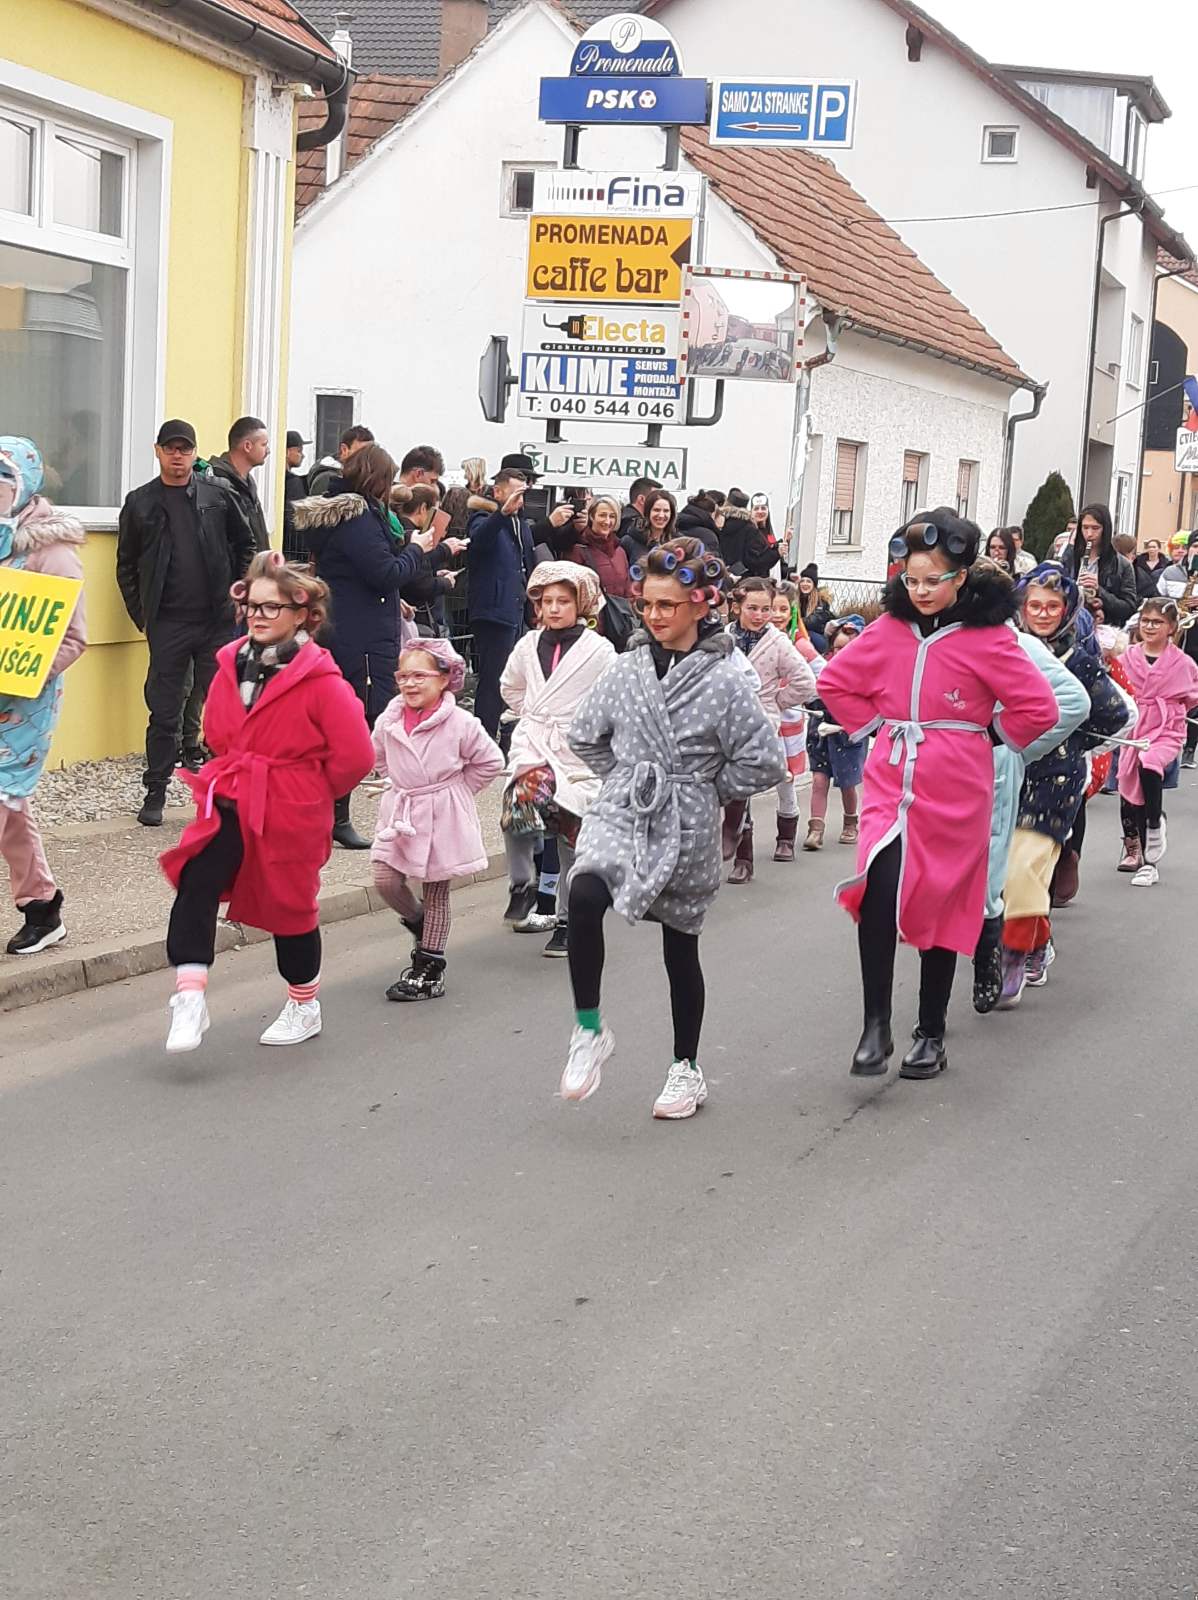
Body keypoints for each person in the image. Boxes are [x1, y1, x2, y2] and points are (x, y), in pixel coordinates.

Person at [816, 510, 1058, 1080]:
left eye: (934, 580)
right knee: (877, 886)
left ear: (962, 578)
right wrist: (873, 725)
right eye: (912, 579)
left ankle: (930, 1032)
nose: (921, 591)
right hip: (889, 777)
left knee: (939, 903)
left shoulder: (990, 637)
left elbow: (1038, 708)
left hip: (956, 786)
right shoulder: (887, 630)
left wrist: (993, 734)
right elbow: (834, 682)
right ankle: (875, 1024)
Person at [558, 537, 786, 1119]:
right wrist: (626, 779)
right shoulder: (624, 668)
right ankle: (589, 1029)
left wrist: (705, 787)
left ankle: (686, 1067)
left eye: (668, 605)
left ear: (701, 604)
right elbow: (585, 734)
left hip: (687, 819)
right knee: (583, 892)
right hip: (623, 805)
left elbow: (763, 761)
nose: (655, 616)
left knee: (679, 948)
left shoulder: (727, 680)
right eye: (648, 605)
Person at [158, 552, 375, 1053]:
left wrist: (307, 788)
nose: (257, 615)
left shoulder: (324, 682)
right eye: (252, 606)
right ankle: (189, 996)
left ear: (302, 614)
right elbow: (216, 730)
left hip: (292, 804)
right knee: (197, 876)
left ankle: (304, 1003)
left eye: (271, 607)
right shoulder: (229, 664)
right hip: (234, 791)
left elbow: (355, 756)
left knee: (289, 908)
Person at [994, 564, 1129, 1006]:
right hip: (1005, 769)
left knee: (1024, 862)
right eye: (1034, 605)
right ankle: (1039, 939)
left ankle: (1013, 955)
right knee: (1006, 872)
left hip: (1057, 776)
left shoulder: (1082, 662)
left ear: (1068, 609)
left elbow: (1115, 716)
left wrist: (1073, 742)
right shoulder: (1004, 651)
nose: (1043, 613)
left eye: (1053, 606)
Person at [294, 444, 437, 849]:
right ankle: (332, 815)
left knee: (345, 725)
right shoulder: (357, 518)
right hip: (360, 637)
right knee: (354, 726)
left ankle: (330, 813)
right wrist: (417, 549)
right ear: (375, 479)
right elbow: (384, 572)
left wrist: (429, 552)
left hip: (353, 628)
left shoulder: (354, 514)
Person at [117, 419, 256, 828]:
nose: (178, 456)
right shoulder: (140, 502)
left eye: (185, 449)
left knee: (222, 709)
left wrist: (239, 595)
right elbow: (126, 564)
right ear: (157, 451)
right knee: (164, 711)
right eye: (170, 449)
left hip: (215, 620)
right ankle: (155, 789)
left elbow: (246, 544)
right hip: (168, 623)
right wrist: (143, 614)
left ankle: (221, 793)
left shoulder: (218, 495)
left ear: (195, 453)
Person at [369, 638, 503, 1001]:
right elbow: (378, 756)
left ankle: (428, 968)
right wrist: (396, 781)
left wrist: (457, 792)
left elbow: (491, 762)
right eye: (403, 676)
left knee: (436, 886)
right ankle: (420, 922)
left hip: (443, 811)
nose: (410, 684)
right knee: (385, 878)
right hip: (403, 809)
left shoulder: (461, 723)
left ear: (445, 679)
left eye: (420, 676)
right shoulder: (390, 719)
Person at [499, 562, 615, 956]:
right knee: (517, 805)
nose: (553, 608)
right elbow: (510, 687)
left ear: (580, 603)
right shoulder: (527, 645)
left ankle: (568, 921)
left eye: (562, 601)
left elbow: (612, 699)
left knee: (571, 839)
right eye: (546, 601)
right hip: (535, 743)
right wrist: (533, 713)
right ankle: (522, 882)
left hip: (577, 753)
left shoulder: (599, 651)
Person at [0, 438, 88, 956]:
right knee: (10, 811)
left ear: (24, 485)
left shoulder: (50, 553)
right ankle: (42, 904)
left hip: (21, 707)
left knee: (7, 804)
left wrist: (22, 675)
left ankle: (42, 905)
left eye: (3, 482)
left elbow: (73, 638)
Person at [722, 576, 817, 878]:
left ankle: (784, 837)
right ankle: (742, 856)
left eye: (766, 609)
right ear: (737, 607)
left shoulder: (778, 642)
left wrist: (777, 701)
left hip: (762, 722)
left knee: (779, 779)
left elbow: (806, 682)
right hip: (727, 721)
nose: (760, 615)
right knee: (735, 787)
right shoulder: (723, 637)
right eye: (753, 608)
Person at [1117, 596, 1198, 887]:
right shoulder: (1126, 656)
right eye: (1146, 621)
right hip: (1134, 728)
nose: (1150, 627)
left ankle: (1152, 831)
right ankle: (1140, 842)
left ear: (1172, 627)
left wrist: (1170, 709)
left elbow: (1191, 697)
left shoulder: (1184, 663)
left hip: (1166, 729)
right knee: (1131, 786)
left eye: (1158, 622)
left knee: (1149, 761)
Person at [467, 461, 536, 739]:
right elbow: (478, 543)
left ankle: (504, 736)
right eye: (515, 494)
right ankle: (483, 737)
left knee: (511, 678)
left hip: (516, 607)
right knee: (493, 678)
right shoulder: (483, 518)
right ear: (498, 492)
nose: (519, 501)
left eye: (523, 495)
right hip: (492, 609)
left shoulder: (521, 524)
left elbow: (527, 562)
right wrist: (500, 515)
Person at [803, 616, 868, 850]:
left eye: (847, 649)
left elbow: (868, 709)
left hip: (848, 736)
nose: (841, 653)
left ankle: (851, 823)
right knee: (819, 781)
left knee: (847, 783)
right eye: (837, 648)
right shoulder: (823, 669)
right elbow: (811, 695)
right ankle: (815, 829)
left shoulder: (864, 676)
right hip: (819, 735)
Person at [1155, 531, 1198, 766]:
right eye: (1195, 546)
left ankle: (1191, 745)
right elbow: (1155, 599)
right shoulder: (1171, 572)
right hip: (1174, 635)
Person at [1060, 503, 1137, 624]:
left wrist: (1099, 591)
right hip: (1069, 625)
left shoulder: (1122, 565)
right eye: (1085, 528)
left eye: (1095, 528)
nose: (1089, 534)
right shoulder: (1068, 558)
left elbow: (1129, 608)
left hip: (1105, 628)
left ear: (1105, 529)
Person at [208, 416, 270, 552]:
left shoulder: (249, 483)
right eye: (264, 445)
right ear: (247, 446)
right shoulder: (215, 484)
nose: (268, 451)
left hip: (255, 569)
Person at [717, 488, 780, 578]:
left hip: (720, 575)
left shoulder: (718, 524)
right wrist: (776, 553)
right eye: (756, 508)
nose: (760, 511)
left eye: (763, 508)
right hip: (744, 580)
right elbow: (756, 561)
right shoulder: (750, 529)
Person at [307, 425, 374, 499]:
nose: (366, 458)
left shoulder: (356, 475)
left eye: (371, 453)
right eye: (361, 453)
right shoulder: (327, 480)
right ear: (344, 449)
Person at [621, 488, 677, 567]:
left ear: (672, 514)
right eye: (656, 510)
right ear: (647, 512)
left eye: (666, 511)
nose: (661, 515)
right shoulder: (629, 541)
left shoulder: (677, 542)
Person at [282, 430, 310, 561]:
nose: (302, 455)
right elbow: (296, 519)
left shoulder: (279, 480)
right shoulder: (293, 483)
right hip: (294, 555)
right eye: (299, 451)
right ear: (287, 452)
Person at [618, 475, 661, 549]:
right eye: (655, 498)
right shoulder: (630, 523)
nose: (660, 502)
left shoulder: (624, 517)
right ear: (641, 499)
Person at [796, 564, 832, 652]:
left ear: (814, 585)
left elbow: (813, 623)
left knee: (806, 635)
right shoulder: (795, 598)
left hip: (817, 636)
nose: (805, 584)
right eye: (802, 581)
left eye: (808, 581)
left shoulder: (821, 601)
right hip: (799, 631)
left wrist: (795, 620)